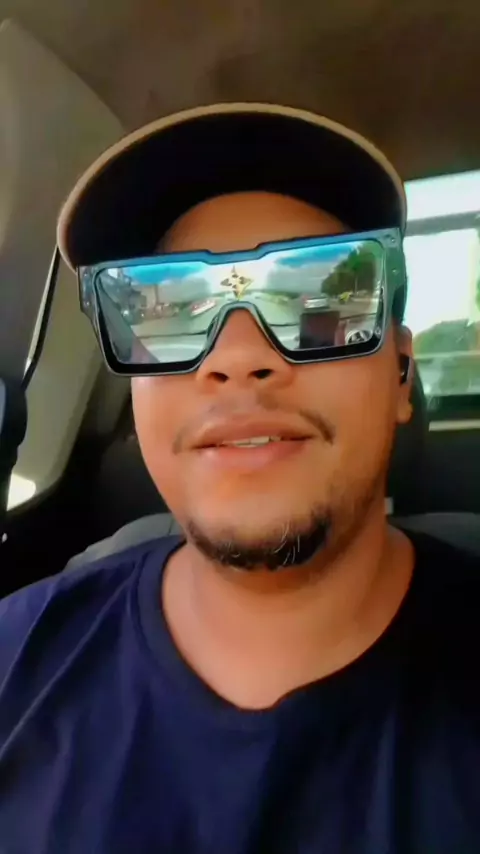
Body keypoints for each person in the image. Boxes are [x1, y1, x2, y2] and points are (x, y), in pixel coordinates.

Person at [0, 102, 479, 854]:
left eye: (319, 298)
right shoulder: (13, 662)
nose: (237, 356)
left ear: (400, 372)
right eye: (170, 308)